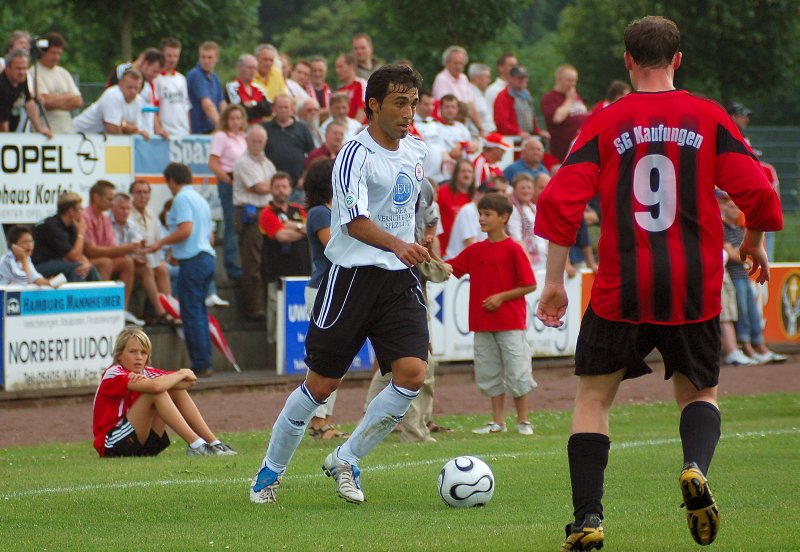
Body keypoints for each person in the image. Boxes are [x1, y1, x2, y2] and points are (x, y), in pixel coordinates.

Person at [533, 16, 784, 550]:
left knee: (593, 399)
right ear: (678, 60)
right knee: (700, 393)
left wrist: (553, 281)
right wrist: (754, 241)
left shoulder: (606, 120)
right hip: (692, 284)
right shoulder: (708, 116)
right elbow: (760, 191)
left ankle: (588, 518)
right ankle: (694, 467)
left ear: (627, 60)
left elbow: (558, 200)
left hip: (622, 285)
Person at [250, 64, 432, 506]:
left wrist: (417, 244)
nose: (409, 112)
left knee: (412, 374)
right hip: (352, 278)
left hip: (399, 280)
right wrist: (399, 245)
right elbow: (353, 222)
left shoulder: (417, 150)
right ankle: (269, 473)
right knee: (321, 386)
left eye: (413, 103)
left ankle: (346, 458)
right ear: (374, 105)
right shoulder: (354, 154)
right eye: (400, 103)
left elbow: (407, 210)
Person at [448, 192, 537, 435]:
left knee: (517, 371)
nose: (481, 219)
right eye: (480, 214)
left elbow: (530, 284)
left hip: (510, 323)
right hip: (482, 323)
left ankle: (523, 421)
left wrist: (501, 297)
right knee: (490, 372)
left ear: (504, 217)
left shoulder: (514, 249)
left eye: (487, 214)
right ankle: (498, 422)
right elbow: (449, 268)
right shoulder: (475, 250)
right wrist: (427, 253)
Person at [92, 326, 236, 458]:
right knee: (156, 391)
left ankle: (214, 443)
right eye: (133, 352)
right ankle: (197, 445)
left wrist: (178, 377)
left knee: (174, 389)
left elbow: (190, 381)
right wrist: (181, 373)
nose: (139, 357)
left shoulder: (146, 372)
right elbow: (157, 387)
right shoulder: (114, 373)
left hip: (141, 444)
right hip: (112, 444)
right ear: (119, 355)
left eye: (143, 353)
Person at [149, 163, 217, 377]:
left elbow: (185, 230)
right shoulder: (200, 199)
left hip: (193, 261)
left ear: (171, 180)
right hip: (205, 257)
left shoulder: (181, 199)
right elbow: (208, 236)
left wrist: (161, 243)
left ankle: (200, 362)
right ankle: (205, 361)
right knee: (200, 311)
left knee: (191, 312)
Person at [301, 158, 348, 439]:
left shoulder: (331, 210)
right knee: (326, 357)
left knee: (337, 357)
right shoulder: (319, 213)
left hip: (335, 289)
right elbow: (333, 247)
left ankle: (325, 419)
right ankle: (318, 421)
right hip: (322, 289)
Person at [719, 191, 787, 364]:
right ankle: (748, 348)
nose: (735, 211)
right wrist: (746, 258)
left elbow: (738, 251)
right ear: (723, 208)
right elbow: (731, 252)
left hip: (743, 275)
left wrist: (743, 256)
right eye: (731, 207)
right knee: (741, 313)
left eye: (737, 208)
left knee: (752, 312)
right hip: (734, 276)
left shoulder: (739, 228)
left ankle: (760, 347)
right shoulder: (723, 228)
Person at [82, 180, 145, 326]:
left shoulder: (104, 218)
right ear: (96, 198)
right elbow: (89, 250)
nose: (112, 203)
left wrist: (129, 252)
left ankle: (122, 310)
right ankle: (102, 309)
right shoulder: (85, 216)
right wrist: (125, 249)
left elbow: (112, 247)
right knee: (106, 263)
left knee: (127, 262)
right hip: (85, 260)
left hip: (101, 258)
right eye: (109, 199)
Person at [257, 172, 310, 342]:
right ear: (271, 190)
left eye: (284, 186)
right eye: (277, 187)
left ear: (290, 189)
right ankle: (274, 350)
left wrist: (293, 226)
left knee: (301, 313)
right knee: (277, 312)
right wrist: (302, 230)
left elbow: (311, 228)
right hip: (276, 273)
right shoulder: (267, 212)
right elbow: (281, 236)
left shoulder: (299, 210)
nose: (281, 190)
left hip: (301, 272)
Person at [110, 192, 176, 325]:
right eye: (122, 208)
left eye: (128, 208)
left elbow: (138, 246)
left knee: (148, 268)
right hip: (113, 261)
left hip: (129, 261)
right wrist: (131, 252)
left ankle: (162, 312)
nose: (125, 212)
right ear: (113, 208)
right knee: (130, 263)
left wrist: (139, 255)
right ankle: (123, 310)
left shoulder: (130, 224)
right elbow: (110, 249)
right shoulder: (108, 223)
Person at [233, 124, 276, 320]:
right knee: (252, 262)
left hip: (266, 211)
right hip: (249, 213)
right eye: (254, 141)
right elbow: (259, 188)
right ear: (246, 141)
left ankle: (265, 305)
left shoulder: (267, 163)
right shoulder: (243, 162)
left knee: (266, 261)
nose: (258, 145)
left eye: (261, 141)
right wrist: (272, 186)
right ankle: (253, 307)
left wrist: (270, 186)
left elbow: (274, 186)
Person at [208, 104, 247, 282]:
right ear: (226, 120)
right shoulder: (221, 136)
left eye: (238, 118)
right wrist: (229, 181)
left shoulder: (243, 137)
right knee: (232, 223)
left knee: (243, 223)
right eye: (232, 118)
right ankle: (232, 267)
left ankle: (242, 263)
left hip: (244, 182)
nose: (235, 122)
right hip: (229, 181)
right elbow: (213, 164)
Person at [31, 192, 101, 282]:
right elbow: (74, 256)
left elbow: (78, 254)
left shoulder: (70, 226)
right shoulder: (52, 226)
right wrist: (81, 232)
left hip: (55, 262)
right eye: (80, 209)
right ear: (71, 211)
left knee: (90, 268)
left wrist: (87, 263)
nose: (82, 212)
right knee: (77, 268)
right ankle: (76, 291)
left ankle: (101, 291)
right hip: (38, 265)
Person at [128, 180, 175, 305]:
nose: (142, 196)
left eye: (145, 192)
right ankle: (161, 310)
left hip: (152, 257)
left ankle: (169, 306)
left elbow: (160, 239)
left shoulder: (151, 213)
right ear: (132, 195)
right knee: (153, 268)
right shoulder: (127, 213)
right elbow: (133, 243)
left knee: (162, 269)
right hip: (135, 258)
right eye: (138, 192)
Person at [27, 32, 83, 134]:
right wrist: (67, 96)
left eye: (59, 53)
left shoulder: (63, 73)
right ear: (43, 52)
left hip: (68, 131)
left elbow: (78, 101)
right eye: (53, 53)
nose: (57, 57)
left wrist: (54, 100)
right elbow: (45, 102)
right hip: (46, 133)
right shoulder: (33, 72)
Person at [73, 69, 149, 139]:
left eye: (136, 88)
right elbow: (113, 129)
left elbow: (136, 129)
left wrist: (122, 125)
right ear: (120, 85)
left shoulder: (138, 100)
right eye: (129, 87)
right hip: (75, 134)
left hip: (93, 139)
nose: (133, 91)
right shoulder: (112, 95)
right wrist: (127, 127)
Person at [262, 94, 315, 186]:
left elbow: (313, 155)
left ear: (292, 109)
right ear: (273, 109)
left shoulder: (302, 128)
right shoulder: (264, 129)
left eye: (286, 107)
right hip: (270, 184)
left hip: (297, 185)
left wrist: (305, 177)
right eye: (280, 107)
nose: (283, 110)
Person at [540, 64, 590, 161]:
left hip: (583, 146)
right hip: (563, 152)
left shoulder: (576, 96)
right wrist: (569, 100)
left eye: (575, 81)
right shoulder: (550, 98)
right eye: (569, 80)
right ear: (558, 79)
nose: (573, 84)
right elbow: (557, 118)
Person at [432, 45, 484, 134]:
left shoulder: (464, 78)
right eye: (456, 63)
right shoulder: (441, 79)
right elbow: (446, 107)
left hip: (462, 127)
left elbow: (471, 105)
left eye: (461, 63)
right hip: (446, 128)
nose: (459, 66)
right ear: (447, 63)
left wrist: (481, 129)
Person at [0, 49, 52, 137]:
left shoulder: (21, 78)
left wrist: (39, 129)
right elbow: (3, 123)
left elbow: (28, 101)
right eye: (18, 69)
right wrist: (7, 140)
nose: (22, 72)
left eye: (24, 68)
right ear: (8, 67)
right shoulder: (2, 87)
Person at [445, 182, 497, 260]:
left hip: (469, 261)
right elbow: (470, 243)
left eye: (492, 196)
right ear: (477, 194)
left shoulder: (485, 213)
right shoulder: (468, 210)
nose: (489, 199)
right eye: (486, 194)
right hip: (456, 262)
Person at [507, 173, 548, 271]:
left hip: (543, 260)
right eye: (523, 188)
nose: (526, 191)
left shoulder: (534, 208)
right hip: (527, 262)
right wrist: (527, 262)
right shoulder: (513, 209)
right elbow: (516, 238)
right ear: (514, 190)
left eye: (529, 188)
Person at [493, 65, 546, 139]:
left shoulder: (527, 95)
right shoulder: (504, 97)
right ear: (511, 78)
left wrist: (538, 131)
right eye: (519, 78)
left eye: (525, 77)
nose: (523, 80)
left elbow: (532, 117)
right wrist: (518, 132)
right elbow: (502, 123)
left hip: (527, 137)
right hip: (512, 139)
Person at [187, 41, 226, 134]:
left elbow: (222, 103)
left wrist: (227, 122)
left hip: (212, 129)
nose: (206, 61)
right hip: (199, 131)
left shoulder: (215, 77)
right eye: (203, 57)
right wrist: (222, 128)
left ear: (216, 58)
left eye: (210, 57)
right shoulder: (196, 75)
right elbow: (208, 106)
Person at [437, 158, 475, 254]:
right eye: (463, 171)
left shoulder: (475, 197)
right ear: (456, 174)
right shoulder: (442, 192)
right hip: (444, 251)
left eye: (469, 172)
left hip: (465, 250)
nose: (466, 175)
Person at [155, 37, 191, 137]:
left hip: (183, 132)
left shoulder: (181, 78)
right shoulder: (156, 79)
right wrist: (159, 128)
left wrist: (189, 130)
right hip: (165, 134)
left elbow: (186, 107)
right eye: (169, 56)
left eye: (175, 56)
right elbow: (153, 107)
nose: (172, 60)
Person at [225, 54, 272, 124]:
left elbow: (268, 110)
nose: (253, 71)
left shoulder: (258, 88)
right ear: (239, 68)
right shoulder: (232, 87)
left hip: (259, 127)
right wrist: (258, 106)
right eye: (250, 68)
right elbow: (240, 111)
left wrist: (253, 103)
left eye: (255, 68)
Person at [334, 54, 367, 122]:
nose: (337, 70)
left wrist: (354, 127)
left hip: (360, 127)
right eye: (336, 67)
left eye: (340, 67)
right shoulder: (340, 90)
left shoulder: (361, 84)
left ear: (351, 67)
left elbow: (363, 109)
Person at [467, 62, 494, 136]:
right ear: (477, 78)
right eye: (487, 77)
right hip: (477, 135)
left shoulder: (480, 93)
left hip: (488, 134)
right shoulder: (468, 93)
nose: (489, 80)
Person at [307, 56, 332, 120]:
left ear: (326, 72)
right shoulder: (303, 90)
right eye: (314, 71)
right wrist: (326, 111)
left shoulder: (330, 91)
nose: (317, 74)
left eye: (320, 71)